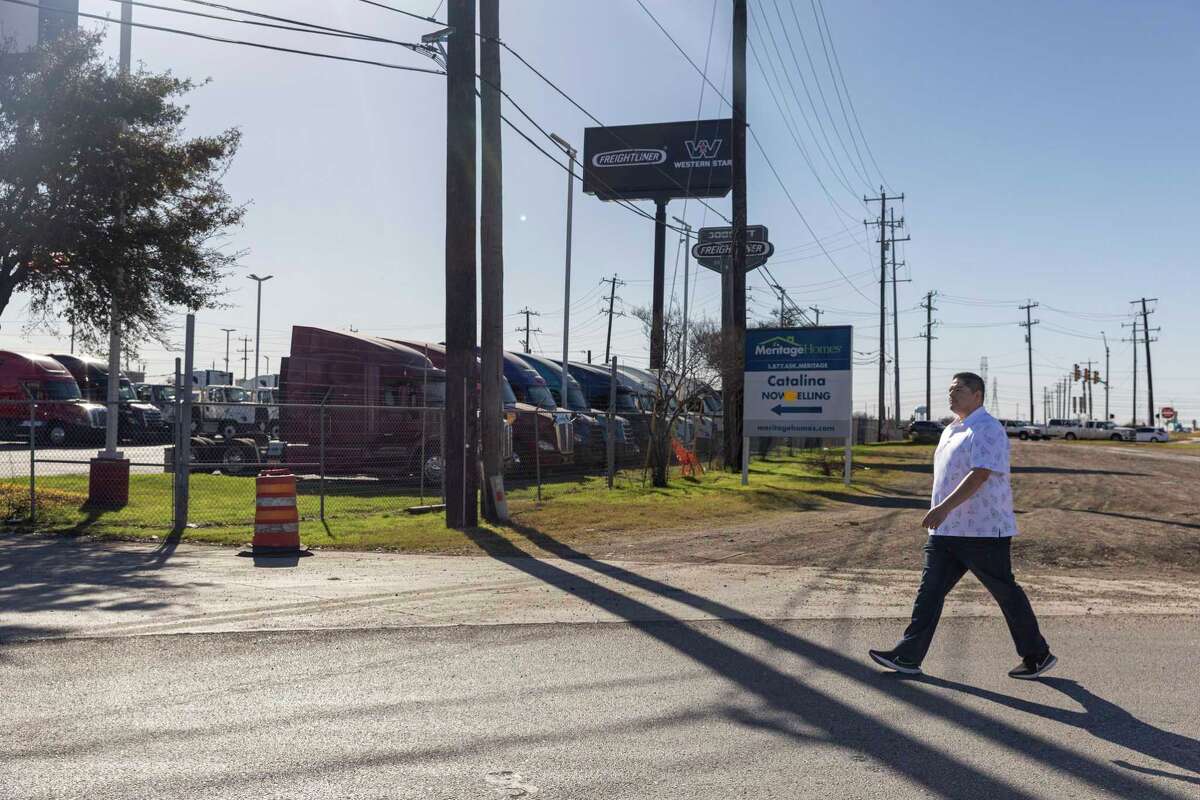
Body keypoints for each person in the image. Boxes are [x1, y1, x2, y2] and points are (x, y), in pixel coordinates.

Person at [869, 372, 1056, 679]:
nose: (951, 395)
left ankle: (1037, 654)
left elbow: (980, 474)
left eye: (958, 390)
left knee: (1005, 592)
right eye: (950, 389)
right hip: (946, 531)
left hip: (982, 531)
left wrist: (943, 507)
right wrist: (942, 514)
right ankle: (907, 656)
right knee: (929, 592)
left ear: (977, 395)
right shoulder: (952, 429)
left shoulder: (987, 428)